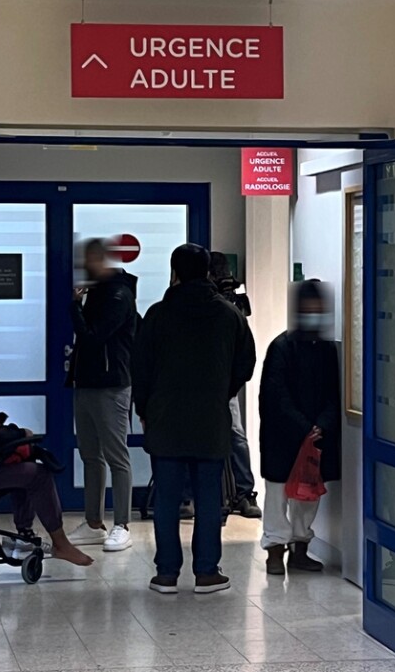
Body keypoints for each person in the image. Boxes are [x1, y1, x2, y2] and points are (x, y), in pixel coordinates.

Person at [132, 244, 256, 594]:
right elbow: (245, 363)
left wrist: (145, 409)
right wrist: (222, 392)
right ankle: (206, 572)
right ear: (207, 272)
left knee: (167, 499)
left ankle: (166, 573)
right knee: (208, 499)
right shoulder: (229, 315)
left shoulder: (158, 314)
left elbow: (140, 367)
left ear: (174, 272)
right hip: (210, 419)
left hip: (165, 419)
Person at [0, 339, 94, 568]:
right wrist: (20, 433)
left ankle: (24, 534)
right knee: (38, 475)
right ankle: (60, 543)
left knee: (24, 463)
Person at [258, 280, 342, 575]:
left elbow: (335, 393)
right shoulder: (281, 347)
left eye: (317, 307)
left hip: (315, 437)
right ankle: (275, 550)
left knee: (308, 496)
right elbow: (275, 395)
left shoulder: (327, 349)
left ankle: (300, 550)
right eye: (308, 306)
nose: (313, 312)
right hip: (282, 437)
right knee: (277, 495)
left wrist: (321, 426)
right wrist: (304, 427)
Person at [67, 239, 139, 552]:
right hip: (86, 383)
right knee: (90, 456)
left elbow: (93, 337)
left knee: (116, 456)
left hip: (111, 386)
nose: (84, 267)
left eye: (89, 261)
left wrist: (74, 306)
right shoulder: (96, 293)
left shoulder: (118, 294)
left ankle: (122, 524)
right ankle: (94, 522)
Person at [209, 252, 261, 519]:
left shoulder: (232, 304)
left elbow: (244, 348)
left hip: (225, 381)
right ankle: (204, 495)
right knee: (230, 436)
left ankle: (244, 492)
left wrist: (233, 383)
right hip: (209, 381)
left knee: (236, 435)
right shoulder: (203, 301)